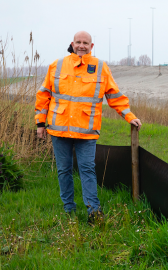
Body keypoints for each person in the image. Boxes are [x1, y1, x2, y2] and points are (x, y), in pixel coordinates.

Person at [35, 31, 142, 223]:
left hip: (86, 131)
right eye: (78, 42)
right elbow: (44, 96)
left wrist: (129, 116)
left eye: (86, 43)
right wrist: (40, 124)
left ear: (91, 46)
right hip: (59, 130)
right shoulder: (57, 65)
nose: (82, 45)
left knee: (87, 169)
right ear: (72, 44)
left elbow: (114, 95)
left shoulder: (100, 67)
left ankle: (94, 211)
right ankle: (69, 209)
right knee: (64, 170)